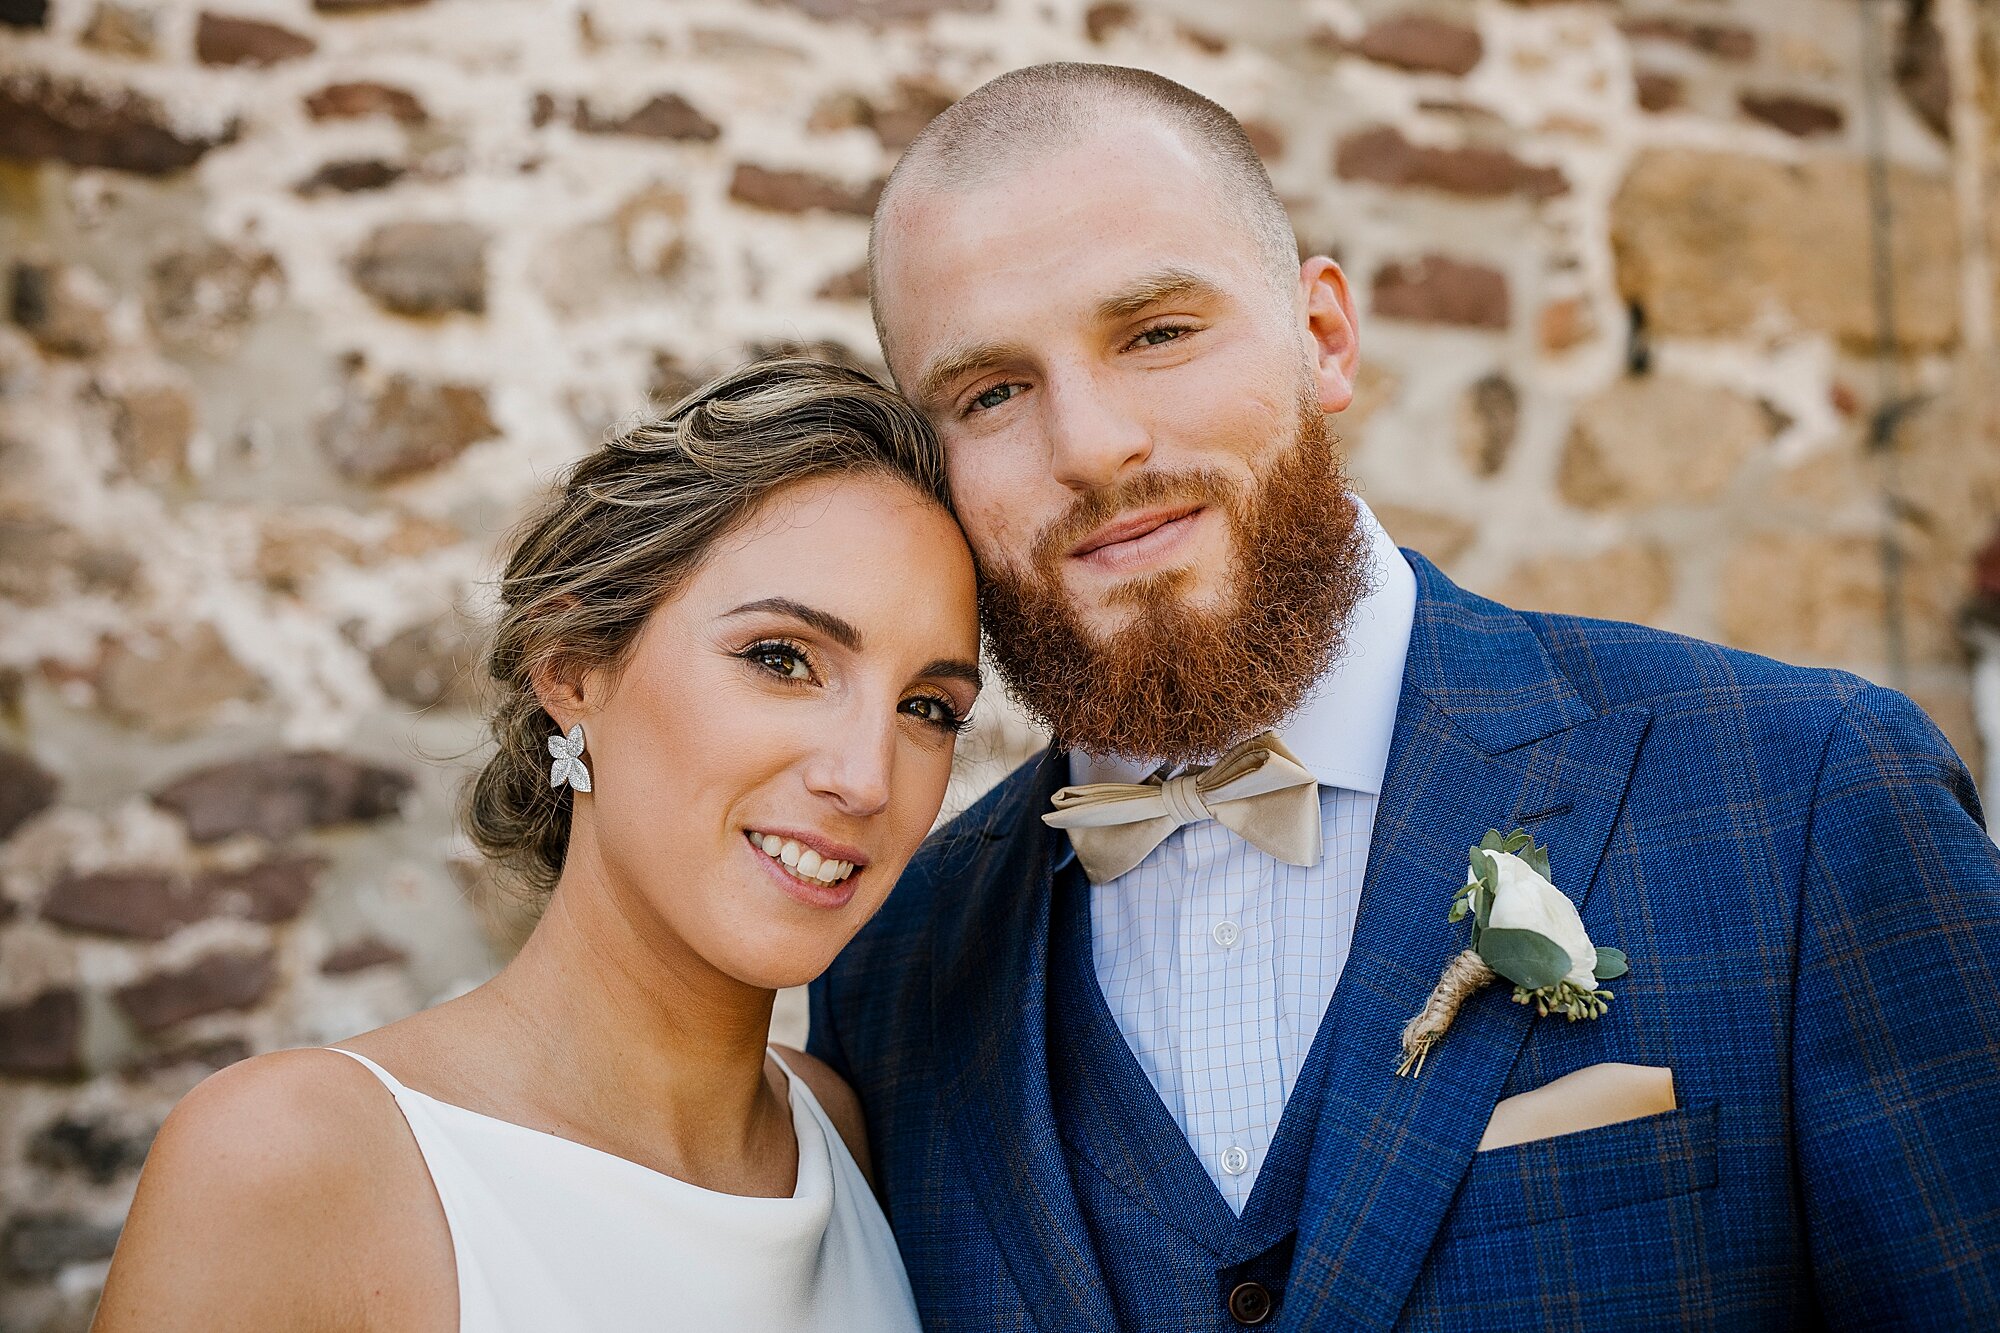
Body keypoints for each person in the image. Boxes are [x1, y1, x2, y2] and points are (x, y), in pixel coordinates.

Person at [810, 62, 2000, 1330]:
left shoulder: (1810, 798)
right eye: (991, 392)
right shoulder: (888, 967)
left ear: (1323, 336)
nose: (1092, 445)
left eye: (1156, 333)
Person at [93, 359, 978, 1332]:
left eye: (927, 707)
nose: (863, 777)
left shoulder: (843, 1140)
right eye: (782, 659)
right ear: (572, 670)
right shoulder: (291, 1160)